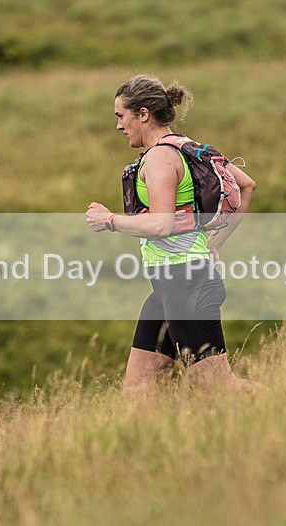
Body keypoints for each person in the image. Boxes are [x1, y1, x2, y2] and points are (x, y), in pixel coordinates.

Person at [86, 74, 258, 394]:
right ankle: (139, 443)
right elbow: (246, 185)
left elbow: (161, 224)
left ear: (143, 114)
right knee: (139, 385)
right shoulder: (186, 146)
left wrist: (109, 220)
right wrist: (213, 244)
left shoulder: (160, 157)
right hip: (169, 285)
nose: (119, 126)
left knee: (217, 386)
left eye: (120, 116)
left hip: (186, 283)